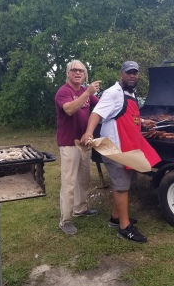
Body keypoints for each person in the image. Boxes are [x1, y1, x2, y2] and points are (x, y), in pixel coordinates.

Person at [81, 61, 161, 243]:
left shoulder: (130, 94)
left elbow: (126, 118)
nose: (132, 75)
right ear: (121, 74)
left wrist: (142, 123)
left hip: (129, 148)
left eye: (135, 73)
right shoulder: (113, 93)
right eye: (129, 72)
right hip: (114, 149)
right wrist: (88, 132)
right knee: (122, 185)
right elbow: (97, 114)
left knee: (127, 182)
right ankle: (125, 228)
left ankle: (115, 217)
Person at [55, 60, 101, 235]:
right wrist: (88, 92)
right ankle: (65, 220)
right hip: (68, 142)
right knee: (69, 182)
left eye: (81, 70)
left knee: (84, 178)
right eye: (74, 70)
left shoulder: (84, 90)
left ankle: (80, 209)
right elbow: (69, 109)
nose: (77, 73)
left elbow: (100, 105)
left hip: (84, 142)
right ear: (68, 73)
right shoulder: (64, 92)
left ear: (85, 74)